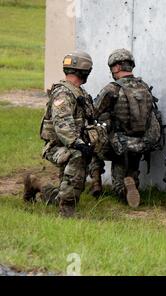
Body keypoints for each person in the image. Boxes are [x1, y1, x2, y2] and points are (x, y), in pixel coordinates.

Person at [23, 51, 95, 217]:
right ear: (84, 71)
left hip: (70, 144)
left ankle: (35, 183)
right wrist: (78, 144)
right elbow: (62, 124)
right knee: (77, 156)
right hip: (56, 146)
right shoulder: (63, 93)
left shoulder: (80, 93)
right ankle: (67, 210)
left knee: (64, 193)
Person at [89, 48, 162, 208]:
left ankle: (97, 181)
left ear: (117, 67)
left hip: (118, 144)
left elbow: (93, 112)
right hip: (142, 143)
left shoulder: (113, 89)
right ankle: (132, 182)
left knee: (91, 144)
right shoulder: (144, 88)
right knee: (132, 171)